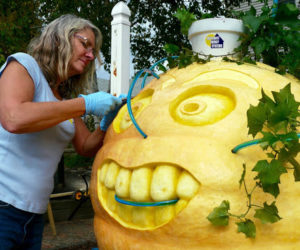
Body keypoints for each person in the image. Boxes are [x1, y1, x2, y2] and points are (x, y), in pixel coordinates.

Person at [0, 14, 123, 249]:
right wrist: (84, 104)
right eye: (84, 44)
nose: (91, 55)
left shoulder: (62, 98)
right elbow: (13, 118)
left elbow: (85, 147)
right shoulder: (24, 65)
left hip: (33, 215)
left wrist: (106, 124)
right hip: (3, 205)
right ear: (59, 39)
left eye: (93, 50)